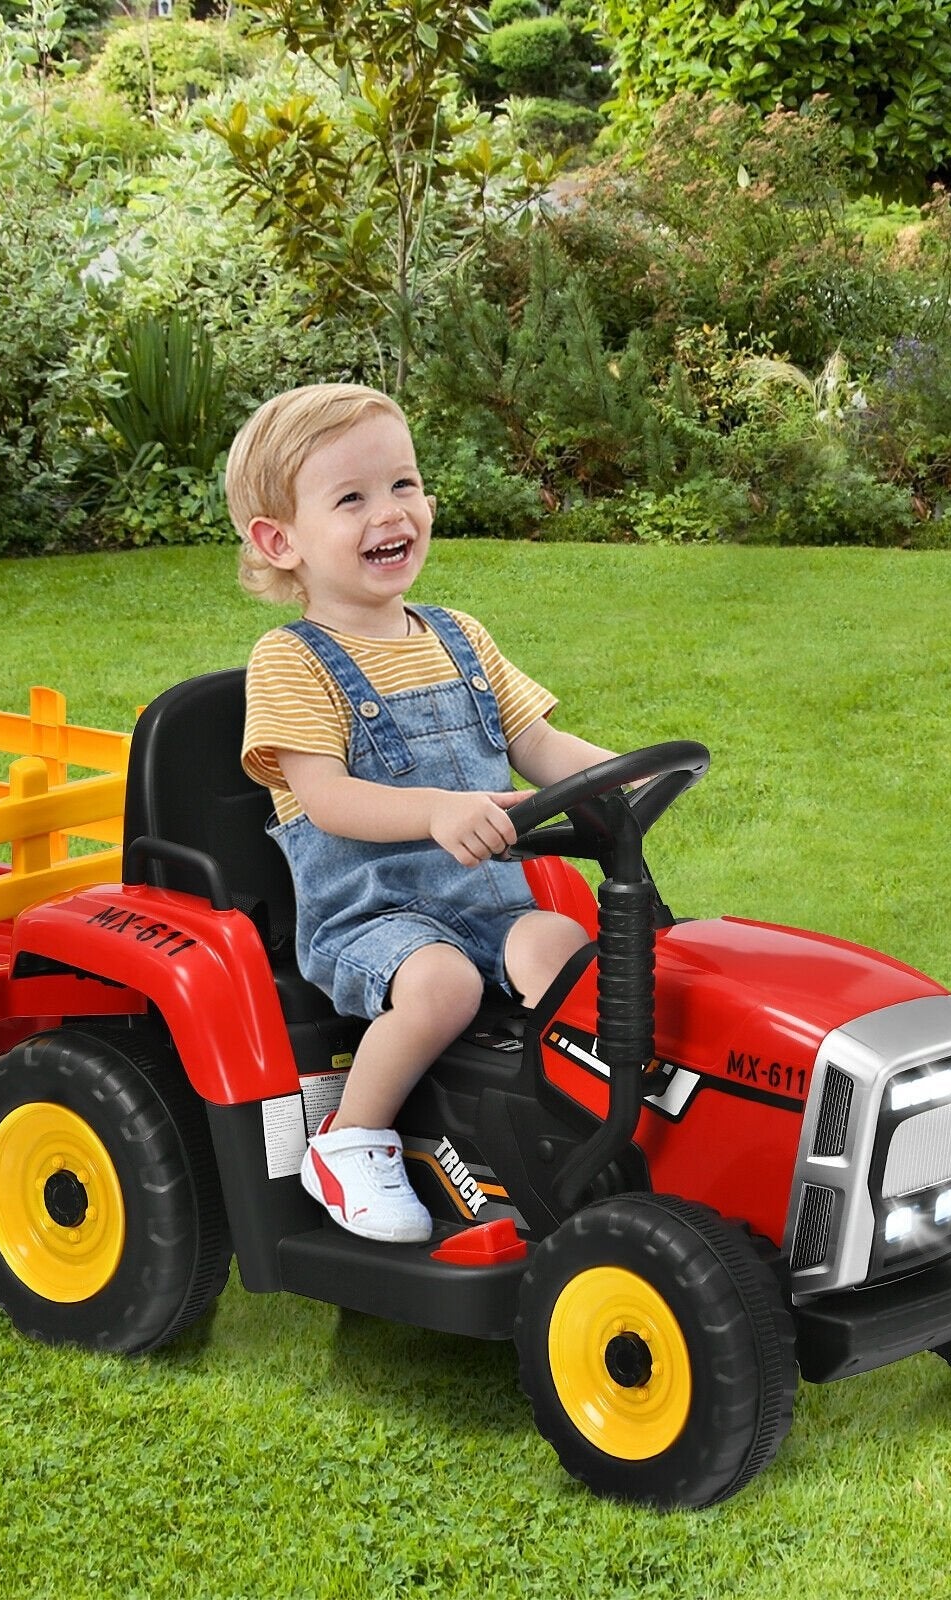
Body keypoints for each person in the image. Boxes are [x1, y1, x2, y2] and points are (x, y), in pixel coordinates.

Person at [229, 383, 616, 1243]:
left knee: (566, 952)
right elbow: (325, 797)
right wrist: (439, 809)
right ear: (278, 540)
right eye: (352, 498)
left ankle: (578, 1123)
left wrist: (619, 773)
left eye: (402, 485)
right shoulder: (290, 663)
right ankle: (350, 1142)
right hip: (369, 915)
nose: (390, 512)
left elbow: (541, 745)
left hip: (486, 901)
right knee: (440, 983)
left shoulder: (459, 635)